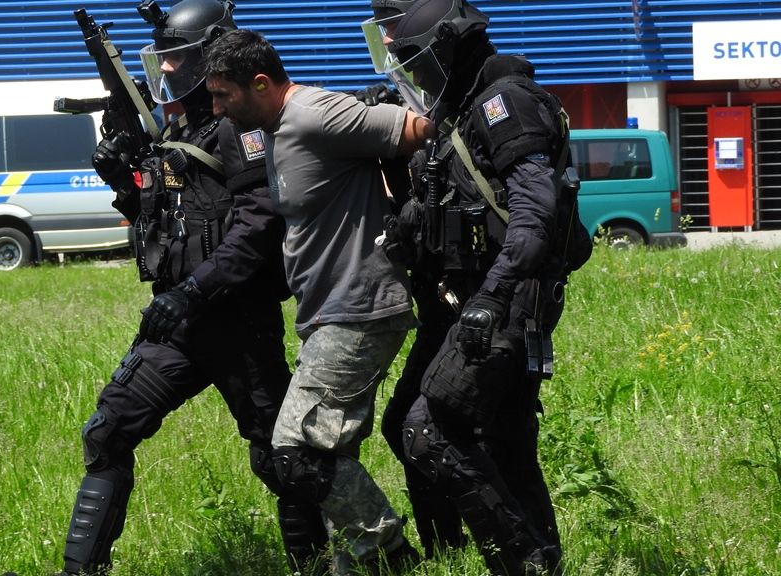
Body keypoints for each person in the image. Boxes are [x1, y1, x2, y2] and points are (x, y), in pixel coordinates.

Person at [57, 1, 328, 574]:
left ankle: (322, 562)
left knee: (281, 458)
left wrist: (195, 291)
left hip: (237, 321)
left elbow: (258, 225)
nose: (170, 69)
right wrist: (123, 185)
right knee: (108, 432)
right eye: (166, 58)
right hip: (175, 323)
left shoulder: (240, 127)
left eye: (180, 57)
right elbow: (165, 221)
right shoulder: (175, 126)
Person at [204, 29, 435, 575]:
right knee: (331, 455)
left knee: (296, 452)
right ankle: (358, 566)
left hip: (358, 308)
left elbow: (418, 128)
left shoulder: (314, 113)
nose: (214, 107)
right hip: (324, 312)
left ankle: (393, 554)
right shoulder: (279, 127)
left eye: (222, 95)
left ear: (260, 83)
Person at [380, 0, 594, 574]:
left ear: (447, 48)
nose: (410, 71)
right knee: (495, 440)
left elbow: (534, 219)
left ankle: (523, 562)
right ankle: (456, 557)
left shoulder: (506, 104)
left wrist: (492, 299)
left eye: (414, 58)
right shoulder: (461, 111)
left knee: (428, 428)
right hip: (468, 300)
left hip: (505, 300)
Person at [357, 0, 469, 560]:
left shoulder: (461, 97)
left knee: (422, 427)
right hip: (437, 302)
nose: (392, 40)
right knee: (412, 426)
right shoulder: (424, 97)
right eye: (384, 30)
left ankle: (468, 547)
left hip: (470, 304)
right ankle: (447, 549)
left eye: (394, 25)